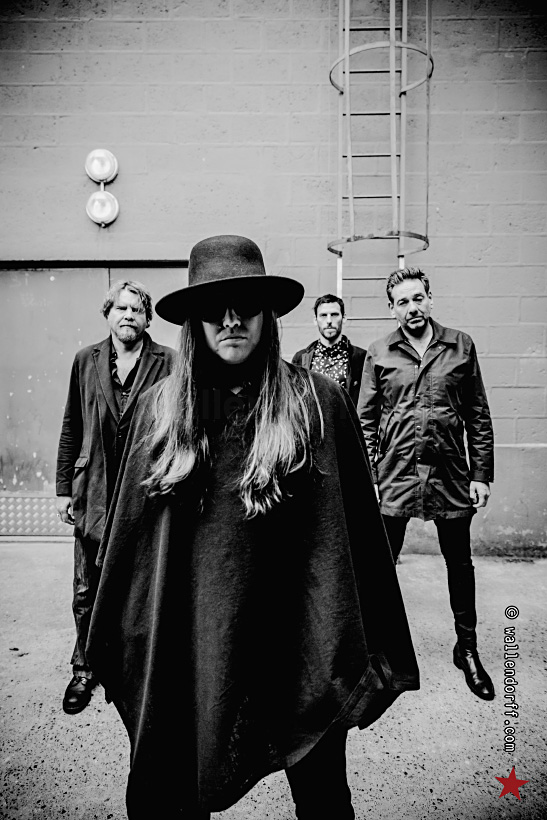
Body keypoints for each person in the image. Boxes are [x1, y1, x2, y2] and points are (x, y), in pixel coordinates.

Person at [86, 235, 419, 819]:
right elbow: (134, 549)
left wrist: (358, 641)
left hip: (300, 638)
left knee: (323, 797)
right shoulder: (164, 410)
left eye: (246, 305)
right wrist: (120, 637)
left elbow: (354, 539)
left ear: (268, 313)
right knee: (172, 785)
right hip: (192, 640)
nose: (232, 320)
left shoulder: (315, 402)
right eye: (214, 308)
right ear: (193, 321)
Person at [357, 267, 495, 701]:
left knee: (460, 564)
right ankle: (376, 654)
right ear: (392, 309)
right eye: (403, 302)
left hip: (450, 473)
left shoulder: (460, 345)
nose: (412, 308)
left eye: (418, 298)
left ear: (430, 300)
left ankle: (467, 649)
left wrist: (481, 475)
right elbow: (365, 423)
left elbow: (478, 415)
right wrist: (368, 478)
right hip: (394, 476)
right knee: (381, 566)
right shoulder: (379, 352)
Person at [56, 280, 176, 714]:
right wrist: (63, 488)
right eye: (121, 308)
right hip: (94, 492)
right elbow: (72, 425)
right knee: (86, 590)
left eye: (137, 309)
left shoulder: (170, 362)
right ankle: (84, 668)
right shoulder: (84, 360)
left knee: (141, 588)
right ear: (108, 313)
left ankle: (137, 669)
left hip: (146, 496)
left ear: (148, 318)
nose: (128, 315)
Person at [292, 294, 366, 404]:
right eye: (323, 315)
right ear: (315, 320)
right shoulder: (301, 358)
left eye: (334, 315)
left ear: (344, 318)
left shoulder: (360, 358)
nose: (329, 320)